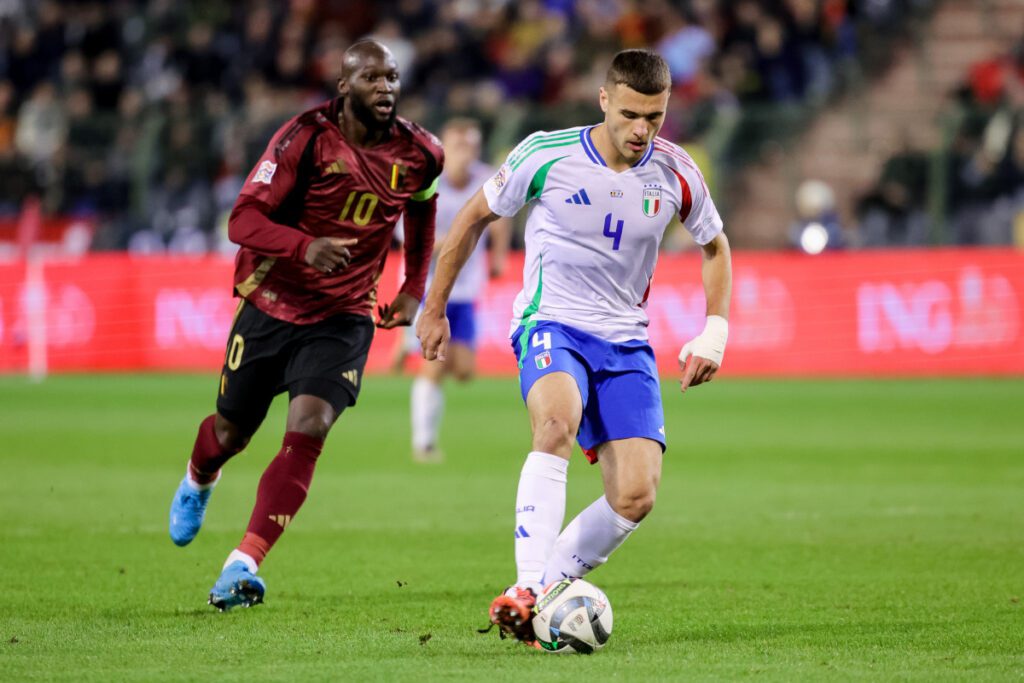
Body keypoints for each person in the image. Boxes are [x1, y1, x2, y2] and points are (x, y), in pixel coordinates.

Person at [417, 49, 732, 644]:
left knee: (636, 496)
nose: (642, 130)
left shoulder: (676, 170)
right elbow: (470, 220)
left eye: (656, 118)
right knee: (556, 424)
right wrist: (434, 306)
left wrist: (714, 329)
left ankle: (545, 597)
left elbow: (715, 245)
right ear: (604, 99)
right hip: (551, 323)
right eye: (632, 114)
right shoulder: (545, 153)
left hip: (626, 340)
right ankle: (528, 586)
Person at [167, 39, 444, 611]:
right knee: (230, 433)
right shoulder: (305, 138)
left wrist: (414, 288)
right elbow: (242, 219)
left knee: (311, 427)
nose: (386, 88)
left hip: (343, 316)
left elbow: (421, 211)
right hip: (271, 303)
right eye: (371, 78)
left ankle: (241, 564)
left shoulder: (422, 153)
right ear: (343, 87)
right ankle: (199, 477)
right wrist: (304, 246)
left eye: (392, 77)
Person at [407, 117, 510, 463]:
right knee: (433, 367)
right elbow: (402, 227)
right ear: (445, 149)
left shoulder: (487, 179)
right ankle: (424, 442)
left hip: (467, 290)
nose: (466, 153)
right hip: (432, 288)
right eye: (459, 146)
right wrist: (444, 245)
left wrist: (497, 256)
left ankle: (406, 345)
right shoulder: (428, 181)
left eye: (471, 146)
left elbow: (502, 217)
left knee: (464, 371)